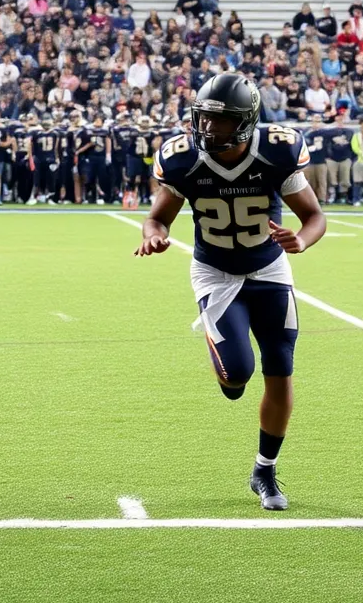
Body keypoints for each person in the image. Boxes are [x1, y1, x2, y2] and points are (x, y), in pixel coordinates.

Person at [138, 73, 326, 511]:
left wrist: (303, 238)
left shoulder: (276, 151)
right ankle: (227, 362)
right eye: (203, 118)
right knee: (237, 374)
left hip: (269, 270)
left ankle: (265, 470)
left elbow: (314, 216)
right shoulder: (184, 159)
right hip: (215, 273)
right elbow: (157, 218)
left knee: (280, 366)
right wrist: (155, 235)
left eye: (219, 122)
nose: (207, 129)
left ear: (244, 122)